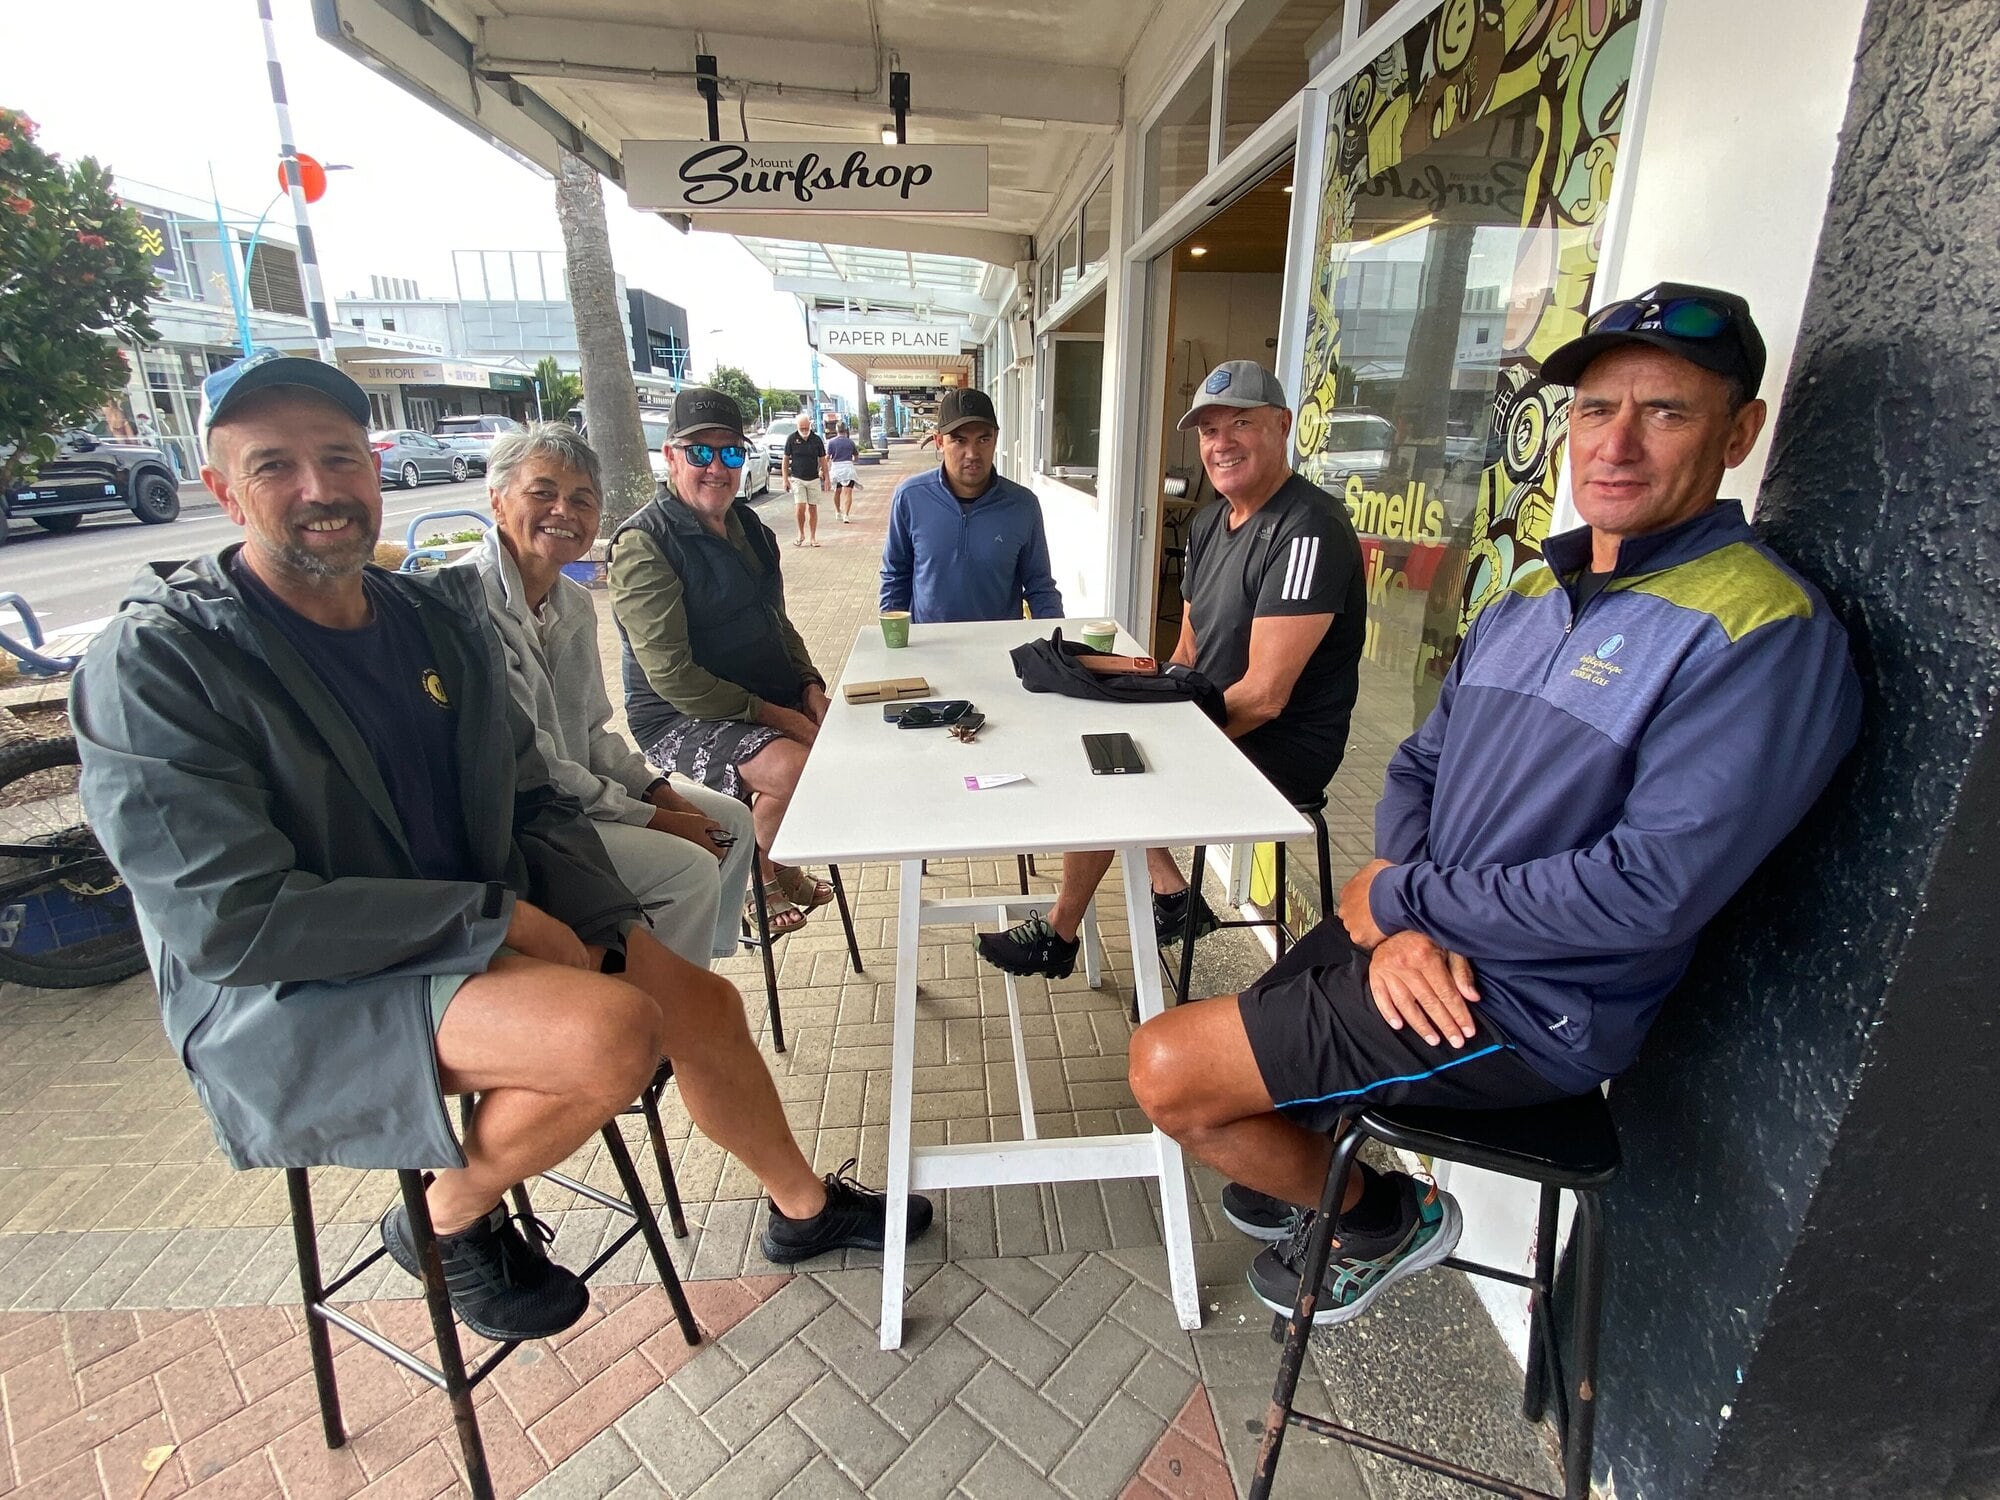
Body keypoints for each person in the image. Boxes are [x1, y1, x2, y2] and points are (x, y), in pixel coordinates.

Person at [71, 351, 930, 1346]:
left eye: (340, 457)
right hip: (295, 987)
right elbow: (229, 921)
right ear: (220, 489)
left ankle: (799, 1210)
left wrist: (596, 924)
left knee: (702, 1003)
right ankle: (438, 1220)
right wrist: (502, 922)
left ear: (370, 469)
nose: (320, 489)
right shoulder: (159, 662)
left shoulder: (428, 621)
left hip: (460, 932)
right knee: (612, 1036)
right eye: (274, 465)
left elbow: (527, 791)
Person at [1124, 285, 1862, 1325]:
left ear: (1738, 434)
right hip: (1429, 934)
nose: (1616, 444)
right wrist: (1410, 910)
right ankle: (1309, 1155)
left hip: (1534, 1004)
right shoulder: (1528, 592)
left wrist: (1412, 906)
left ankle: (1382, 1215)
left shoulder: (1761, 631)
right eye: (1595, 410)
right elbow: (1417, 763)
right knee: (1234, 1056)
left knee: (1167, 1073)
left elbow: (1646, 894)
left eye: (1666, 413)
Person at [977, 362, 1363, 978]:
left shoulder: (1308, 528)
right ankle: (1174, 899)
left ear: (1283, 426)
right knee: (1103, 743)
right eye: (1209, 430)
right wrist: (1120, 688)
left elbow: (1265, 697)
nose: (1221, 443)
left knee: (1117, 772)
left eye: (1241, 422)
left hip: (1282, 746)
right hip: (1213, 717)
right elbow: (1186, 656)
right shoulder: (1211, 523)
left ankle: (1063, 931)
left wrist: (1153, 738)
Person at [462, 421, 757, 968]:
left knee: (733, 822)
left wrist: (659, 792)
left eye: (582, 499)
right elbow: (539, 766)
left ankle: (688, 978)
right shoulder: (469, 607)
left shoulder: (571, 602)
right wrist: (654, 819)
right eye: (542, 493)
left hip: (575, 798)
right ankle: (664, 1025)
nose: (563, 511)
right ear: (498, 502)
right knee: (688, 866)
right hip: (519, 821)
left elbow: (593, 731)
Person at [610, 386, 838, 935]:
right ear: (670, 456)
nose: (718, 467)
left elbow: (776, 621)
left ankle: (776, 859)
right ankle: (757, 872)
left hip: (759, 700)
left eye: (731, 452)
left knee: (841, 749)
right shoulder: (645, 543)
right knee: (796, 767)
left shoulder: (752, 527)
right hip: (678, 715)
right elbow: (671, 676)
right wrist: (778, 715)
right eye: (700, 452)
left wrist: (809, 687)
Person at [879, 386, 1064, 624]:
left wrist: (1058, 648)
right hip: (928, 650)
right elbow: (895, 575)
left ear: (995, 439)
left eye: (983, 439)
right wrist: (894, 642)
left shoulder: (1022, 504)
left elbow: (1040, 586)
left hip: (1001, 651)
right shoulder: (910, 498)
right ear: (939, 442)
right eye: (959, 440)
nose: (972, 453)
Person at [781, 410, 827, 547]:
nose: (805, 431)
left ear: (810, 425)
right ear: (797, 427)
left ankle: (813, 537)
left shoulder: (816, 439)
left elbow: (823, 459)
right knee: (800, 506)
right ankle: (801, 533)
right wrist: (785, 479)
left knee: (812, 508)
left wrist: (827, 477)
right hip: (797, 478)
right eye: (802, 428)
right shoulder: (791, 439)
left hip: (813, 478)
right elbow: (785, 460)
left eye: (807, 428)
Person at [826, 421, 860, 523]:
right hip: (848, 468)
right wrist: (851, 460)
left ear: (836, 430)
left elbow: (827, 457)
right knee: (848, 492)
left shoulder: (831, 442)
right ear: (845, 430)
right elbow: (856, 457)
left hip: (836, 468)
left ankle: (837, 511)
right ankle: (846, 515)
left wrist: (823, 469)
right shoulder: (850, 442)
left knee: (837, 491)